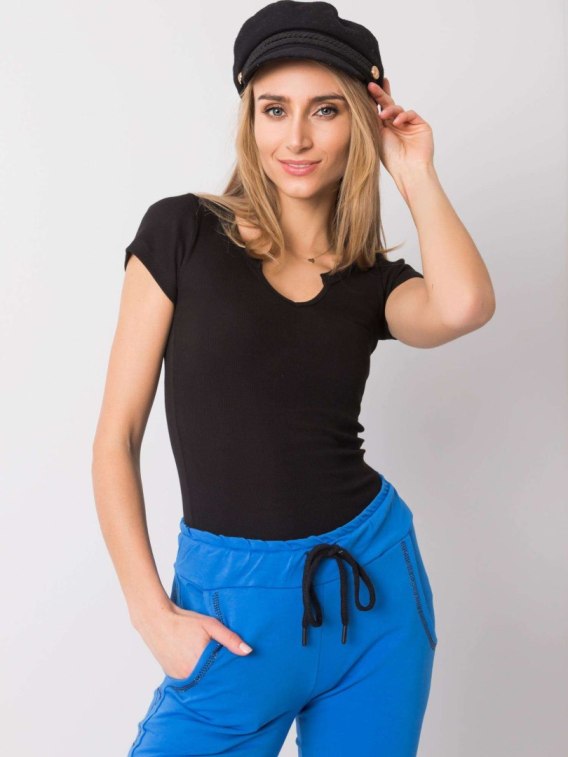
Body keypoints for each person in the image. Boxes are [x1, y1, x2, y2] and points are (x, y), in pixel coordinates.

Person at [91, 2, 496, 755]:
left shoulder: (371, 281)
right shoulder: (181, 233)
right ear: (250, 118)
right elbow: (117, 436)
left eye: (327, 110)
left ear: (361, 122)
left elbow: (465, 305)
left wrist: (412, 169)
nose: (297, 138)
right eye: (275, 109)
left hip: (374, 596)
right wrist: (153, 617)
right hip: (228, 617)